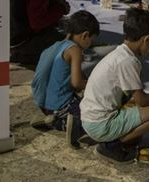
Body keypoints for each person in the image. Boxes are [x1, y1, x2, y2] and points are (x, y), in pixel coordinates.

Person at [80, 9, 149, 162]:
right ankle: (111, 146)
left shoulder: (120, 53)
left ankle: (116, 138)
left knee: (139, 115)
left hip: (89, 118)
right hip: (99, 124)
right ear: (146, 39)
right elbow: (142, 101)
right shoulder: (129, 61)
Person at [31, 11, 100, 147]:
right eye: (91, 41)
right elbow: (76, 83)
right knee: (97, 114)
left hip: (41, 103)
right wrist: (94, 84)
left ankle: (51, 118)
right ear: (85, 35)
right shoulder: (75, 50)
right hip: (62, 106)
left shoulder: (55, 45)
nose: (90, 45)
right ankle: (66, 123)